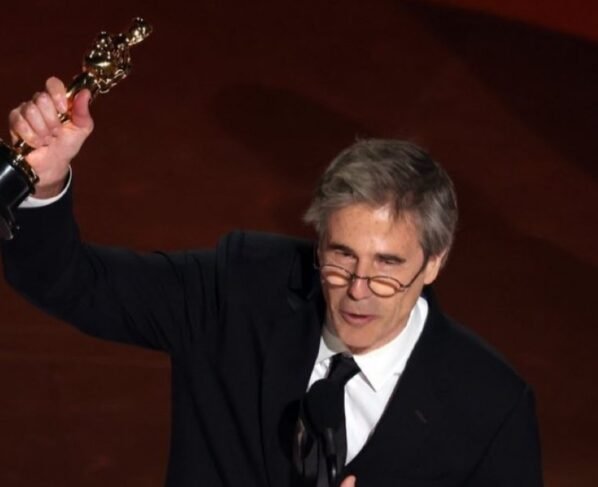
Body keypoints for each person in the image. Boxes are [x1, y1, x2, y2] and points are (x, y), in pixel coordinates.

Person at [2, 77, 543, 487]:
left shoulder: (490, 407)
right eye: (341, 257)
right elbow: (72, 282)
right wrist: (41, 183)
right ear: (318, 240)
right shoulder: (239, 289)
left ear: (434, 263)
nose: (357, 289)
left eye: (387, 267)